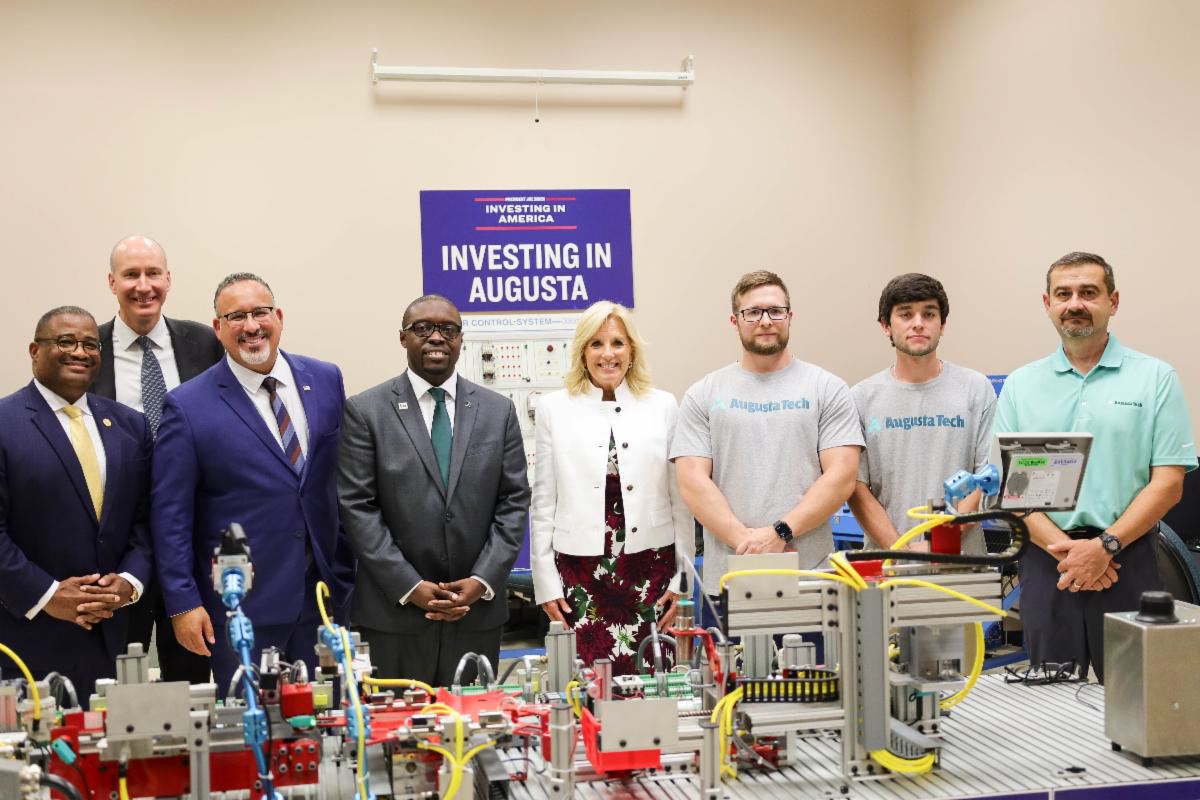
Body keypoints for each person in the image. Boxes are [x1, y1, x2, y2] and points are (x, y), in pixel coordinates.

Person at [993, 252, 1196, 683]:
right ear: (1047, 303)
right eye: (1063, 294)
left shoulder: (1155, 378)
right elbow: (1017, 491)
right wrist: (1071, 557)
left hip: (1127, 557)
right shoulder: (1021, 385)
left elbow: (1169, 484)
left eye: (1089, 292)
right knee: (1051, 694)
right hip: (1050, 563)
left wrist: (1103, 548)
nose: (1075, 303)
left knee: (1134, 696)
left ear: (1113, 301)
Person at [151, 273, 356, 694]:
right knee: (255, 739)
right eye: (236, 316)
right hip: (243, 608)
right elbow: (170, 514)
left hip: (325, 600)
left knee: (329, 731)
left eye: (260, 312)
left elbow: (340, 479)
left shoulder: (326, 380)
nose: (251, 325)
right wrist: (183, 602)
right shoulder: (187, 406)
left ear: (278, 317)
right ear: (218, 328)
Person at [337, 294, 529, 686]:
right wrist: (410, 586)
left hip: (477, 613)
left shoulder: (498, 411)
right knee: (400, 738)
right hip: (397, 614)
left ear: (461, 340)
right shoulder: (366, 411)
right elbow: (358, 507)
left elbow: (513, 502)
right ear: (403, 338)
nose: (437, 337)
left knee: (474, 731)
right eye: (423, 328)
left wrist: (482, 581)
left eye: (448, 329)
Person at [671, 270, 863, 605]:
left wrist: (780, 533)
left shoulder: (826, 389)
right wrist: (748, 543)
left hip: (812, 583)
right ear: (735, 321)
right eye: (753, 312)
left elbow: (842, 475)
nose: (765, 321)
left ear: (790, 317)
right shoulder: (703, 393)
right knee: (737, 661)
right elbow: (691, 479)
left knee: (813, 661)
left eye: (775, 311)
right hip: (731, 581)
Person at [530, 301, 695, 675]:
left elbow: (680, 500)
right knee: (588, 684)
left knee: (653, 680)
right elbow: (543, 502)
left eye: (618, 343)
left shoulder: (663, 405)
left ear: (632, 350)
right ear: (582, 352)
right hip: (580, 571)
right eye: (596, 343)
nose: (608, 354)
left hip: (650, 566)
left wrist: (682, 579)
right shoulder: (554, 408)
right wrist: (545, 583)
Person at [0, 307, 153, 705]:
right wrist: (48, 594)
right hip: (29, 639)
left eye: (90, 344)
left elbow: (146, 519)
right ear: (35, 350)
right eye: (65, 341)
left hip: (116, 637)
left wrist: (130, 583)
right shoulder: (5, 423)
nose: (80, 352)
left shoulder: (130, 426)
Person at [93, 234, 223, 684]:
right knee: (117, 684)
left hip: (190, 539)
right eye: (131, 275)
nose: (143, 286)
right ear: (112, 282)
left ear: (169, 279)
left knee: (194, 683)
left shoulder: (207, 344)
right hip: (117, 546)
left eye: (153, 274)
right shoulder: (88, 349)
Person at [848, 274, 996, 551]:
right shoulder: (860, 398)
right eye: (905, 314)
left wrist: (937, 545)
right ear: (886, 326)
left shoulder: (976, 389)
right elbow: (857, 489)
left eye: (929, 314)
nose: (918, 323)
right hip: (887, 565)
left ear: (943, 325)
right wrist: (901, 550)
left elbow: (986, 479)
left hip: (964, 565)